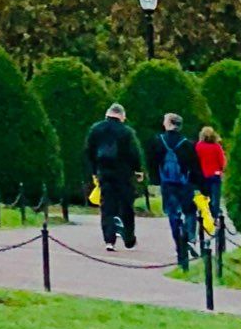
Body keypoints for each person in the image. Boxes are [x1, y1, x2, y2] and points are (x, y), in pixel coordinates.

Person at [84, 102, 142, 252]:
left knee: (107, 205)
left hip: (104, 171)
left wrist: (93, 170)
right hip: (124, 173)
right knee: (126, 206)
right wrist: (138, 169)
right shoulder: (126, 131)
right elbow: (133, 152)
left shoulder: (96, 129)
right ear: (122, 116)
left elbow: (89, 150)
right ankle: (129, 239)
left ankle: (109, 240)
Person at [147, 110, 199, 268]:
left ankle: (179, 241)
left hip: (167, 183)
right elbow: (194, 165)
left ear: (168, 124)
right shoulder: (187, 143)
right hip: (184, 183)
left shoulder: (158, 141)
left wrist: (155, 179)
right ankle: (190, 237)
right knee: (190, 210)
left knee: (172, 213)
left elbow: (152, 162)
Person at [192, 124, 229, 236]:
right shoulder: (216, 146)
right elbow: (222, 161)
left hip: (203, 176)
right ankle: (215, 216)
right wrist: (221, 170)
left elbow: (195, 161)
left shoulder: (198, 146)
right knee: (215, 197)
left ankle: (205, 214)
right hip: (215, 175)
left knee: (205, 197)